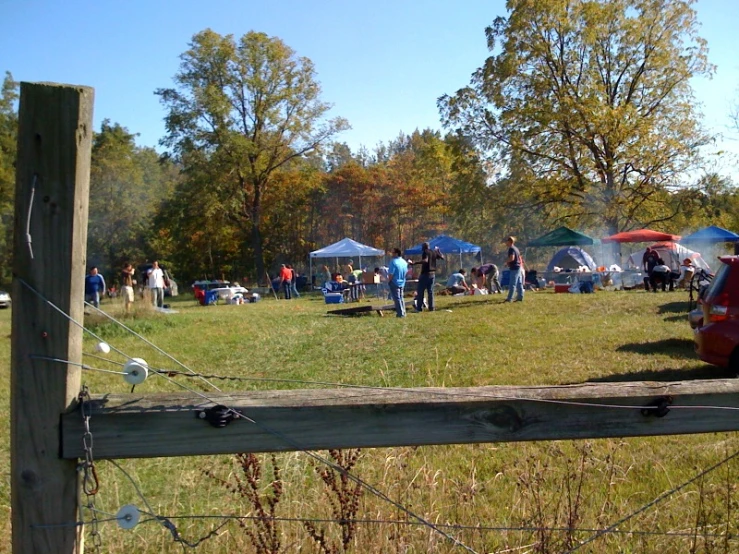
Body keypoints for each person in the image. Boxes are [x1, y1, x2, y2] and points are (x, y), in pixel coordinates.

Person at [410, 242, 444, 312]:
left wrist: (415, 263)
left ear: (424, 247)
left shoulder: (425, 252)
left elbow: (425, 260)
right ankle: (431, 308)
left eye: (422, 247)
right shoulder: (434, 252)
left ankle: (419, 308)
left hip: (425, 274)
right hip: (432, 274)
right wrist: (438, 251)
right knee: (430, 291)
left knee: (420, 291)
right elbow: (442, 257)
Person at [387, 248, 409, 317]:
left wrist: (389, 281)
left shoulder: (393, 262)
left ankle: (400, 313)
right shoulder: (404, 262)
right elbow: (406, 272)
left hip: (394, 282)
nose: (392, 254)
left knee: (397, 299)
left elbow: (391, 274)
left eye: (393, 253)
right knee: (401, 298)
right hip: (402, 282)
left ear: (396, 253)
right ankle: (403, 312)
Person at [504, 236, 524, 302]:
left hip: (514, 268)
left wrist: (506, 262)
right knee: (519, 283)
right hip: (518, 267)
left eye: (506, 241)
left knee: (512, 284)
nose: (506, 243)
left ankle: (509, 298)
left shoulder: (511, 249)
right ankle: (520, 297)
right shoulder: (516, 248)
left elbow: (512, 258)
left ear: (509, 242)